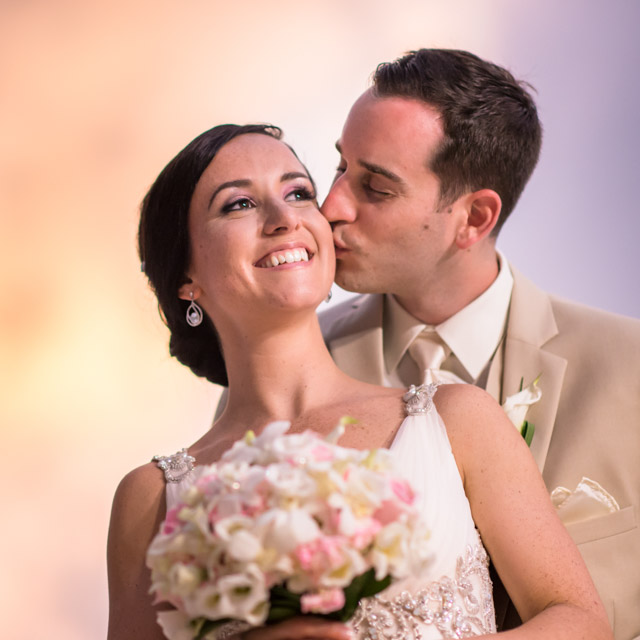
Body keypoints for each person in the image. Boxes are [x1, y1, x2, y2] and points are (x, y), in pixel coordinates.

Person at [106, 123, 612, 640]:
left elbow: (579, 621)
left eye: (299, 193)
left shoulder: (456, 421)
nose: (285, 219)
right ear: (186, 277)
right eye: (238, 205)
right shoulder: (150, 499)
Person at [319, 48, 640, 638]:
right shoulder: (295, 363)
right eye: (339, 167)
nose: (331, 205)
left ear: (474, 218)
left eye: (376, 187)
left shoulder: (631, 370)